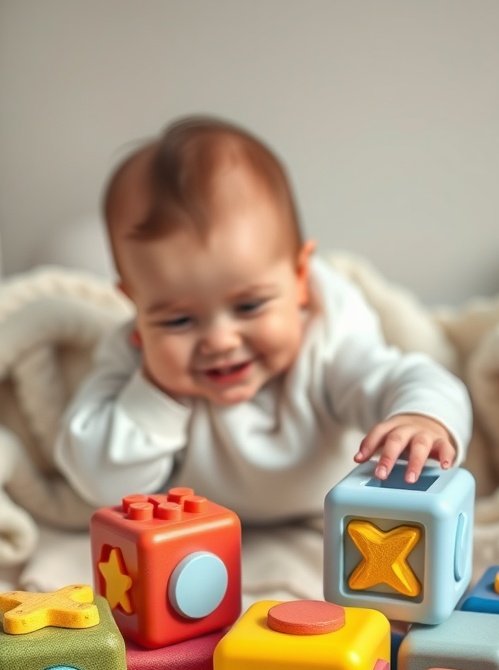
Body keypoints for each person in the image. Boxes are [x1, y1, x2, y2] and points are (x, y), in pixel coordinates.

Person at [54, 116, 472, 522]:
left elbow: (410, 379)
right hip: (203, 528)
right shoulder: (134, 357)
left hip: (331, 510)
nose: (219, 340)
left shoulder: (328, 340)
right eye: (178, 320)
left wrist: (422, 418)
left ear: (300, 280)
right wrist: (157, 392)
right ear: (135, 307)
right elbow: (99, 482)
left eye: (248, 307)